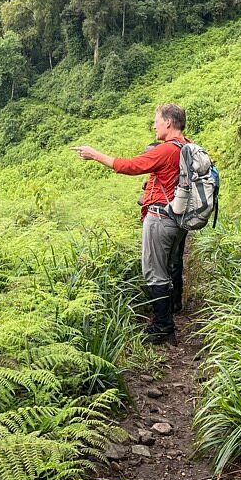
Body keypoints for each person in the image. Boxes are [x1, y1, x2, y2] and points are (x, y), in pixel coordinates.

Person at [71, 103, 188, 343]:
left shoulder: (166, 150)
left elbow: (130, 166)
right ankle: (166, 319)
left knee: (155, 273)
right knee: (166, 269)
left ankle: (162, 327)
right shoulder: (188, 146)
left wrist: (95, 155)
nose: (153, 125)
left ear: (168, 122)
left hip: (161, 218)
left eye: (156, 120)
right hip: (178, 220)